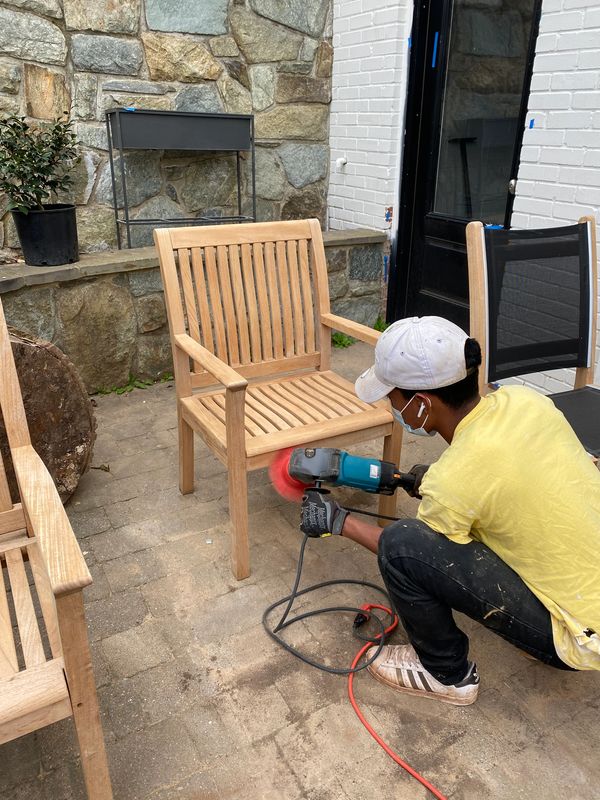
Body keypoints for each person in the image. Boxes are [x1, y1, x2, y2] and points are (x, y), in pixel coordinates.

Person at [300, 316, 600, 706]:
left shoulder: (455, 479)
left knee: (402, 544)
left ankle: (446, 675)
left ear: (422, 405)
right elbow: (493, 479)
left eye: (393, 399)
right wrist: (417, 482)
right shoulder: (526, 402)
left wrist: (339, 521)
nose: (392, 406)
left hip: (580, 636)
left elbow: (411, 551)